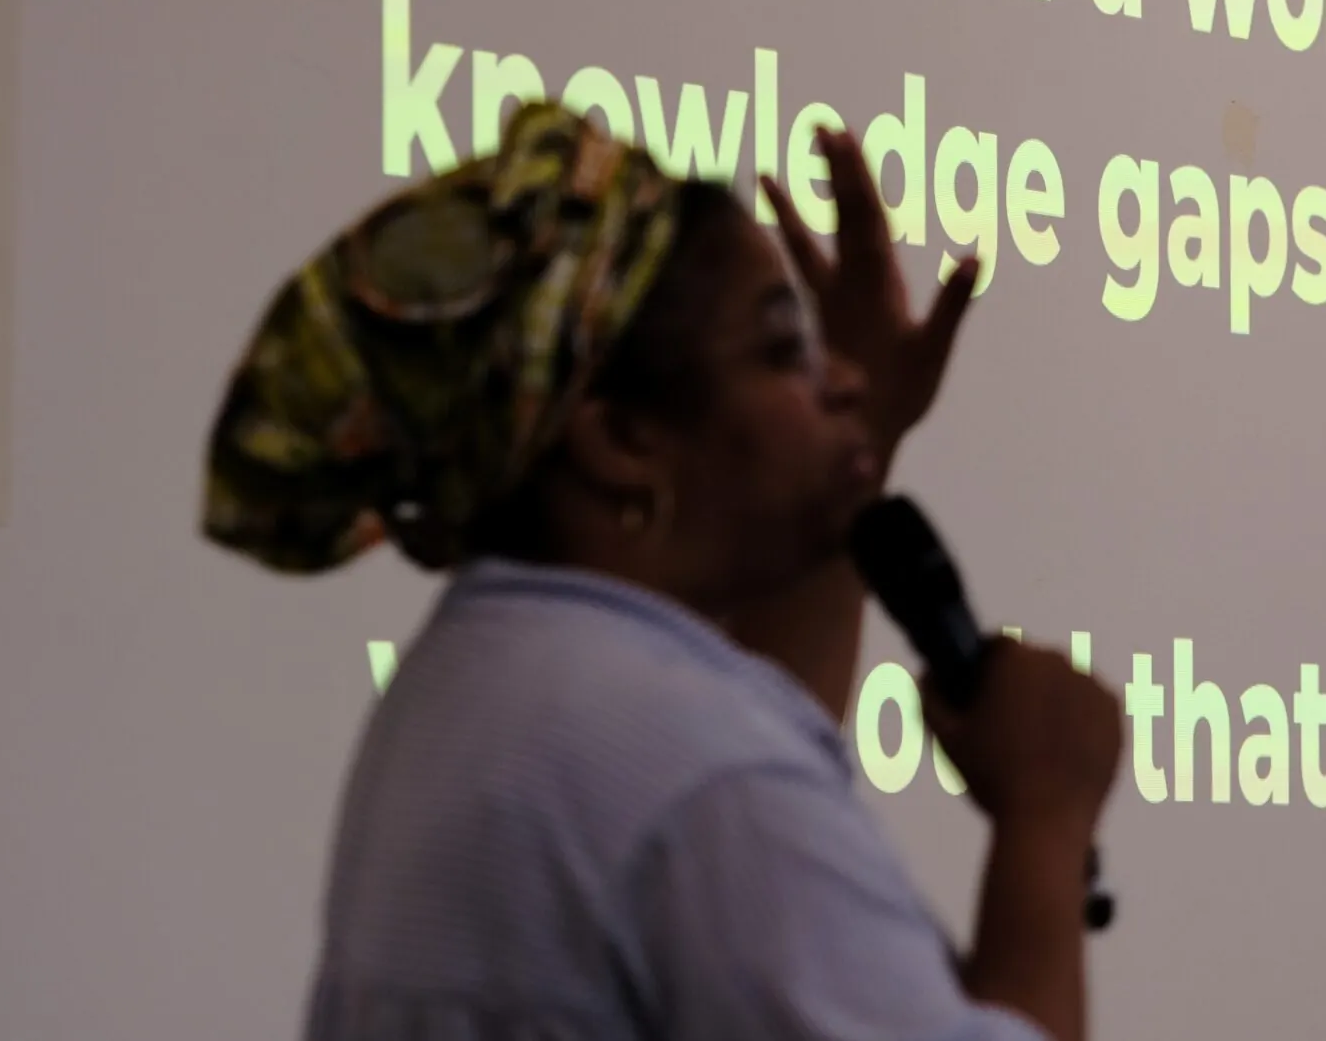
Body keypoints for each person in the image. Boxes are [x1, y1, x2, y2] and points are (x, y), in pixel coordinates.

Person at [203, 102, 1125, 1041]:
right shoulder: (694, 769)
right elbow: (733, 785)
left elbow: (771, 728)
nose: (840, 379)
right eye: (782, 351)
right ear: (619, 439)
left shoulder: (488, 680)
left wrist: (853, 446)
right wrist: (1045, 815)